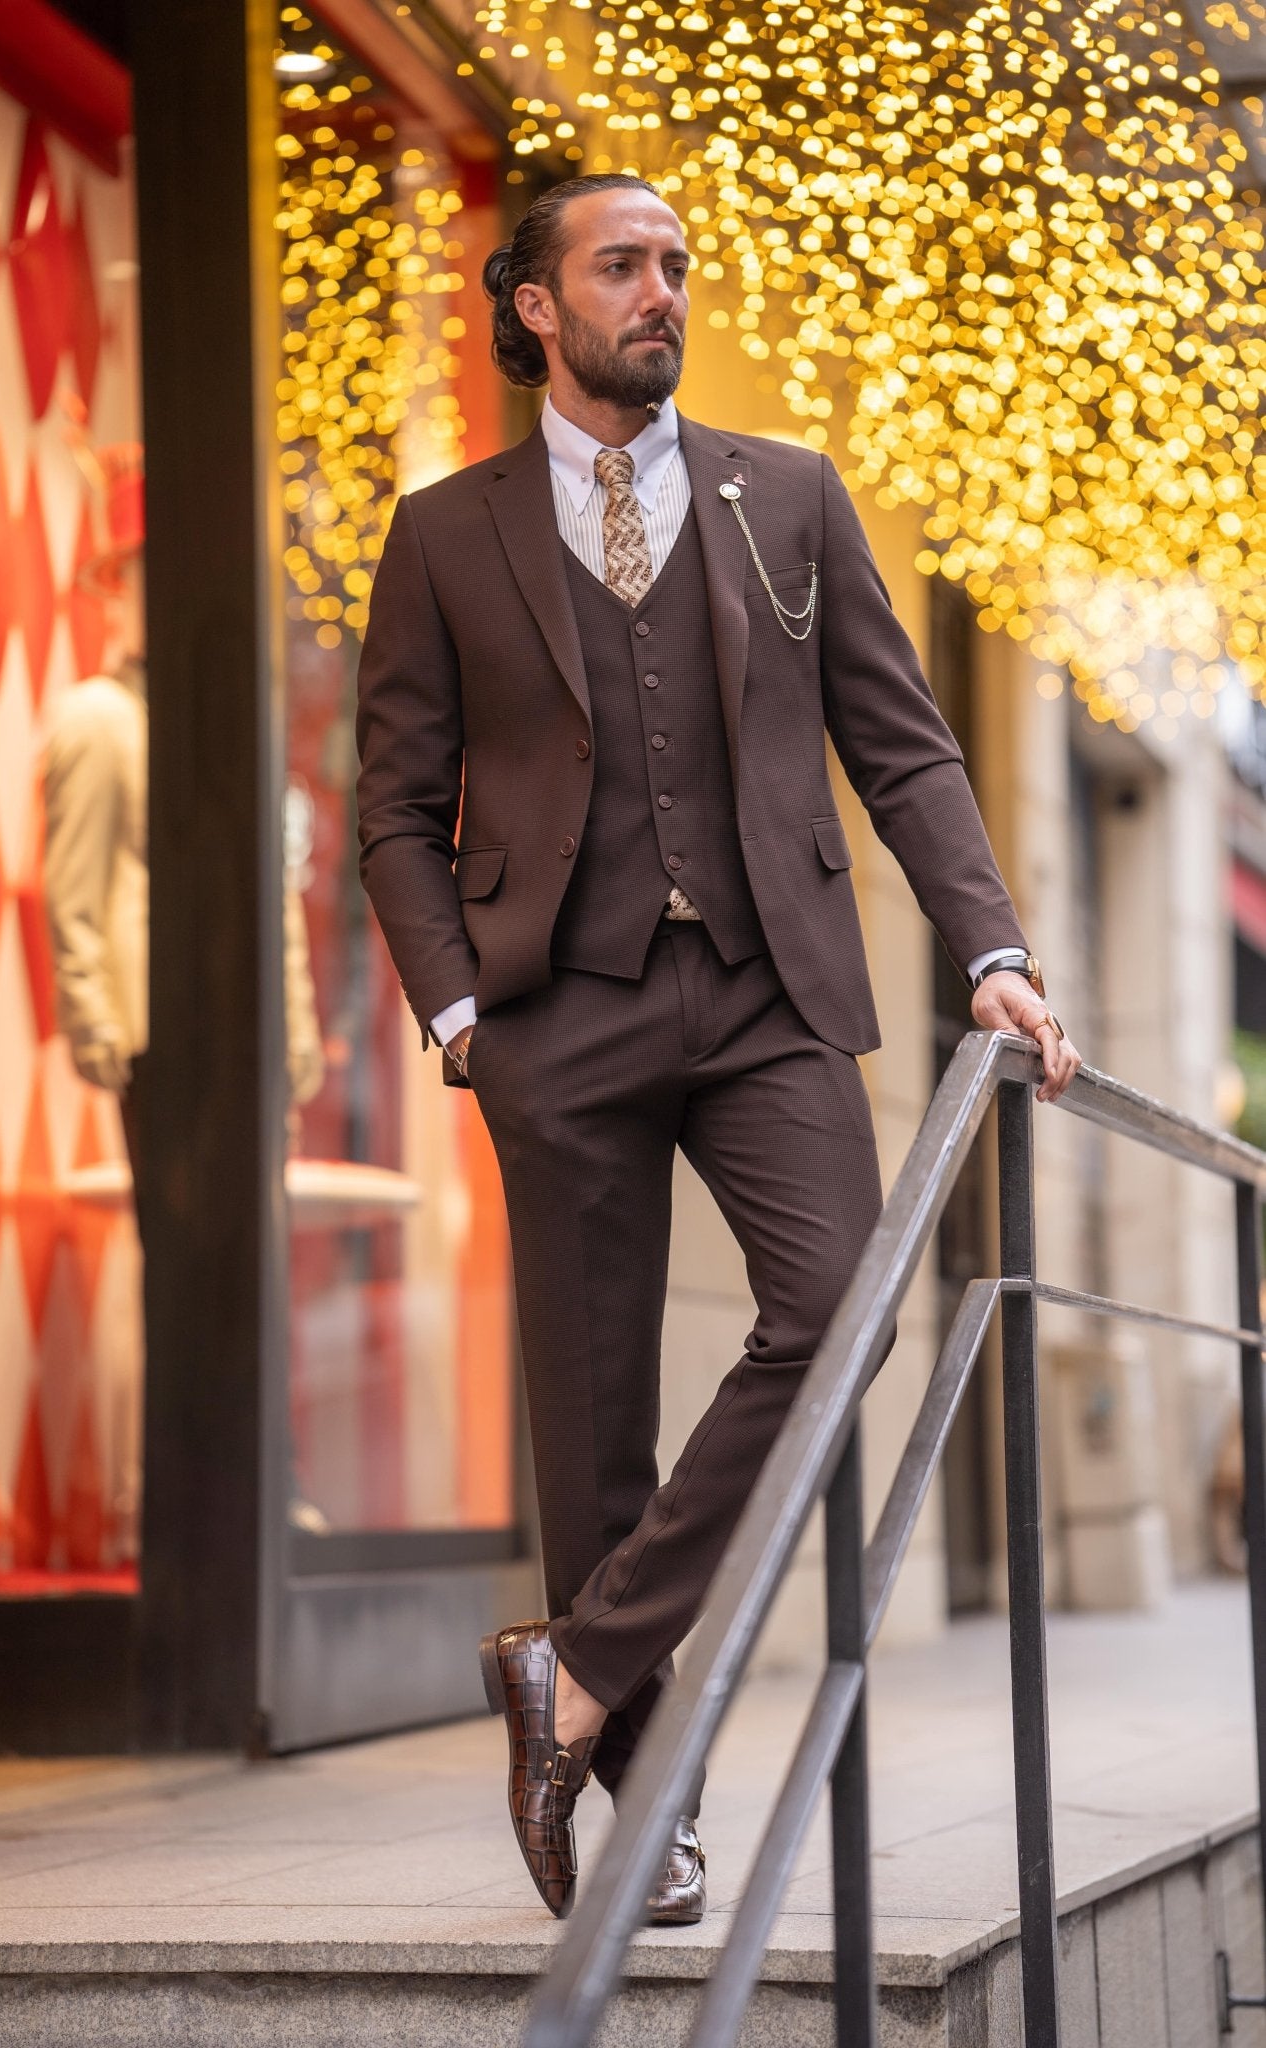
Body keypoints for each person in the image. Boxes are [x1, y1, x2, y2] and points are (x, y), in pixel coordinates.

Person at [355, 172, 1080, 1924]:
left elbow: (900, 750)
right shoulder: (448, 532)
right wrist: (460, 1013)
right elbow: (391, 805)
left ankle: (578, 1672)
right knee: (592, 1431)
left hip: (768, 993)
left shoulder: (790, 501)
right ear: (535, 304)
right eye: (622, 267)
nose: (659, 293)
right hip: (557, 1011)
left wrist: (985, 945)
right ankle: (647, 1799)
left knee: (841, 1304)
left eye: (675, 267)